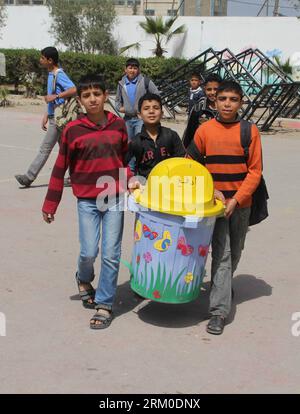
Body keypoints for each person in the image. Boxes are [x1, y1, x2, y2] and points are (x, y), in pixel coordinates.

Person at [42, 74, 132, 330]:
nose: (92, 99)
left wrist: (129, 186)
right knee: (89, 251)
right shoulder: (72, 130)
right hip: (87, 200)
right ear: (80, 101)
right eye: (86, 95)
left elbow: (125, 161)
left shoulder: (118, 125)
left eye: (97, 94)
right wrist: (51, 204)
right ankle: (84, 279)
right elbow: (60, 168)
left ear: (106, 96)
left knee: (112, 254)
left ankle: (104, 304)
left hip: (114, 197)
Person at [187, 80, 262, 335]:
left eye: (233, 99)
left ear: (241, 102)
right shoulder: (204, 131)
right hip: (214, 206)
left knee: (236, 250)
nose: (227, 104)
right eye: (223, 99)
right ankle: (218, 311)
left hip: (241, 204)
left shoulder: (249, 131)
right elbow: (191, 166)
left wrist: (236, 199)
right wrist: (211, 192)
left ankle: (223, 284)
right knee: (223, 254)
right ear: (214, 101)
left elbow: (255, 171)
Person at [15, 47, 76, 187]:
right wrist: (46, 115)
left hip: (60, 119)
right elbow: (51, 99)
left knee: (45, 148)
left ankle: (29, 177)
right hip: (55, 117)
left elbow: (73, 89)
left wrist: (56, 96)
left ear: (50, 60)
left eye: (42, 58)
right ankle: (74, 176)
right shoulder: (50, 75)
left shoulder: (58, 74)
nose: (40, 60)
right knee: (67, 150)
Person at [126, 92, 186, 180]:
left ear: (162, 113)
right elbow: (122, 164)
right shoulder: (136, 141)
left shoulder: (171, 135)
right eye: (146, 108)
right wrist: (129, 182)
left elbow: (182, 161)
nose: (151, 111)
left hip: (171, 185)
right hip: (146, 187)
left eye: (156, 108)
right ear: (139, 115)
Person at [115, 58, 160, 171]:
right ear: (125, 69)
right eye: (130, 67)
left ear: (138, 70)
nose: (132, 70)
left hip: (141, 120)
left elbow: (156, 95)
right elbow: (117, 101)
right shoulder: (121, 84)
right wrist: (121, 108)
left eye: (135, 68)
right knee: (128, 145)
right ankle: (130, 170)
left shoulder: (145, 81)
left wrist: (148, 109)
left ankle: (140, 168)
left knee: (140, 144)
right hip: (127, 120)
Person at [183, 73, 222, 149]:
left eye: (216, 89)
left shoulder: (226, 109)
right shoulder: (198, 108)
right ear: (204, 89)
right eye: (209, 89)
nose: (212, 93)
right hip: (200, 150)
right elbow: (189, 132)